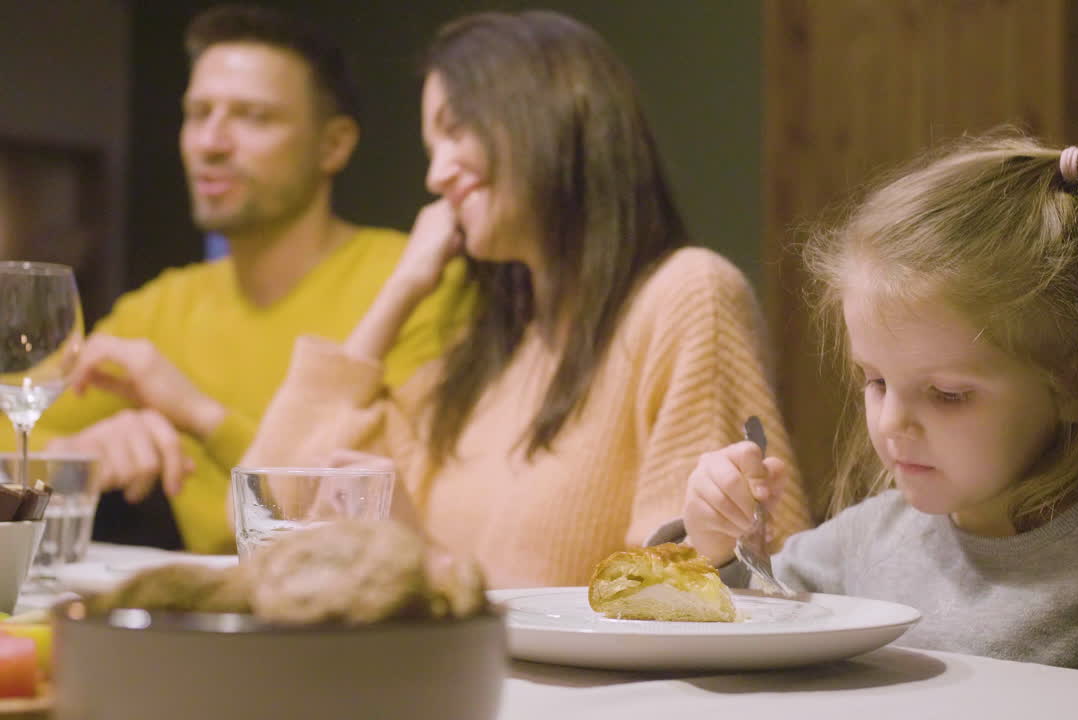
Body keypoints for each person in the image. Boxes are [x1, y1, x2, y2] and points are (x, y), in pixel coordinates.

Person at [681, 136, 1078, 693]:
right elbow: (738, 628)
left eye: (947, 394)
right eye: (876, 381)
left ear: (1075, 384)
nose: (891, 424)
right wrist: (715, 548)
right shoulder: (864, 538)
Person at [243, 10, 811, 588]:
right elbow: (274, 504)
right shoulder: (491, 359)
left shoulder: (685, 296)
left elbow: (690, 592)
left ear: (548, 113)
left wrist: (431, 563)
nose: (436, 175)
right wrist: (403, 286)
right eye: (429, 146)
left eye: (456, 127)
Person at [0, 4, 472, 554]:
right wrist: (73, 454)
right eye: (198, 113)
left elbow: (396, 507)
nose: (211, 143)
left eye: (253, 117)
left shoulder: (415, 283)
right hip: (208, 617)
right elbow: (18, 418)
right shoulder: (161, 307)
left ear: (334, 145)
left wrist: (200, 415)